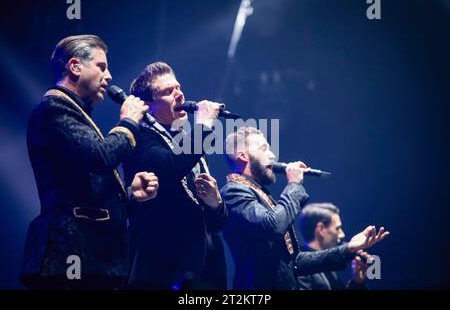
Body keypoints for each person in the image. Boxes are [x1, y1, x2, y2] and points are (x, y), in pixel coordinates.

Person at [21, 35, 159, 289]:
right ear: (75, 67)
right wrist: (128, 122)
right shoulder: (54, 107)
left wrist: (129, 194)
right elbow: (101, 157)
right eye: (102, 67)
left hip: (91, 258)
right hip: (69, 258)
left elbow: (84, 186)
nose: (108, 77)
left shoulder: (75, 111)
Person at [221, 126, 389, 289]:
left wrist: (348, 248)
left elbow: (295, 262)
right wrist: (294, 184)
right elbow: (273, 226)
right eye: (264, 149)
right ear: (243, 156)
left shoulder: (260, 193)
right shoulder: (234, 192)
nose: (272, 155)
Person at [123, 62, 227, 289]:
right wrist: (204, 127)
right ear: (148, 105)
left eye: (178, 87)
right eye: (168, 91)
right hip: (162, 270)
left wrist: (215, 204)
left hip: (204, 271)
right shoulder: (140, 137)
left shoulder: (186, 141)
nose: (179, 94)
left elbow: (218, 224)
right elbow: (168, 168)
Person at [297, 203, 372, 290]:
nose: (342, 234)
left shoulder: (326, 264)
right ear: (321, 229)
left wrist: (357, 283)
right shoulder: (301, 267)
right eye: (337, 228)